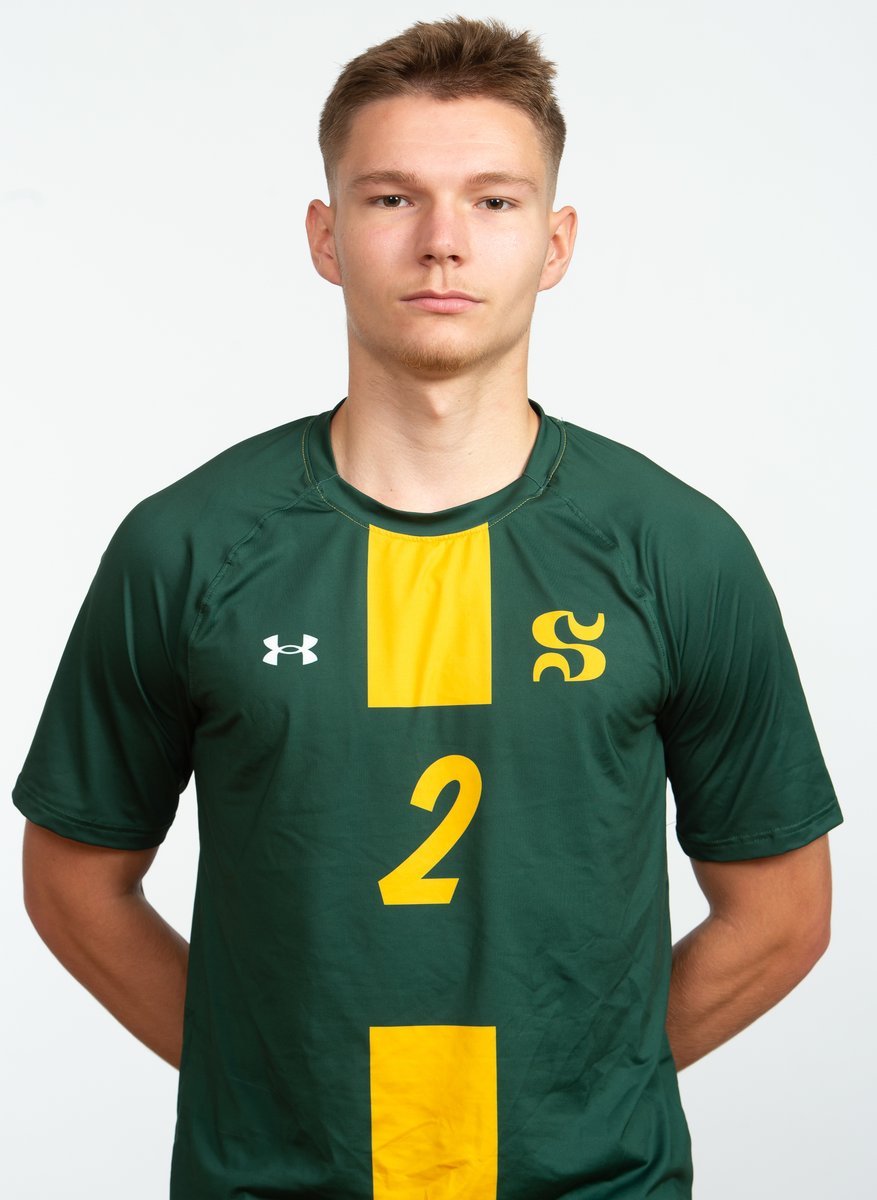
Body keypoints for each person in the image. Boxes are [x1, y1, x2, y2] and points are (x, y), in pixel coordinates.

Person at [14, 15, 842, 1199]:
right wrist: (265, 1084)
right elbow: (72, 881)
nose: (442, 242)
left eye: (493, 202)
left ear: (555, 243)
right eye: (392, 198)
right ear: (326, 236)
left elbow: (782, 914)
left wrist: (583, 1085)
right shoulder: (186, 546)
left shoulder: (677, 550)